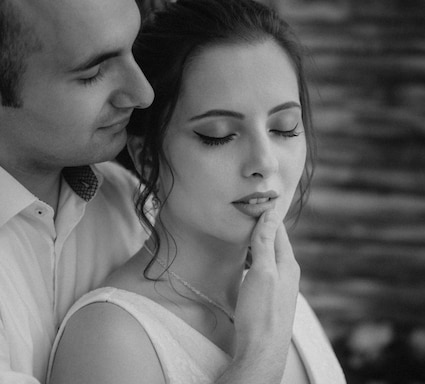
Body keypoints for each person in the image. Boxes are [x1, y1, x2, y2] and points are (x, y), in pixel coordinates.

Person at [0, 0, 321, 383]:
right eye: (92, 73)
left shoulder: (129, 198)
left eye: (131, 51)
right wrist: (261, 356)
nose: (143, 92)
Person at [48, 0, 346, 383]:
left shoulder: (278, 293)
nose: (264, 161)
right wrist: (261, 355)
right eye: (217, 135)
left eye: (284, 127)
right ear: (147, 156)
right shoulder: (111, 339)